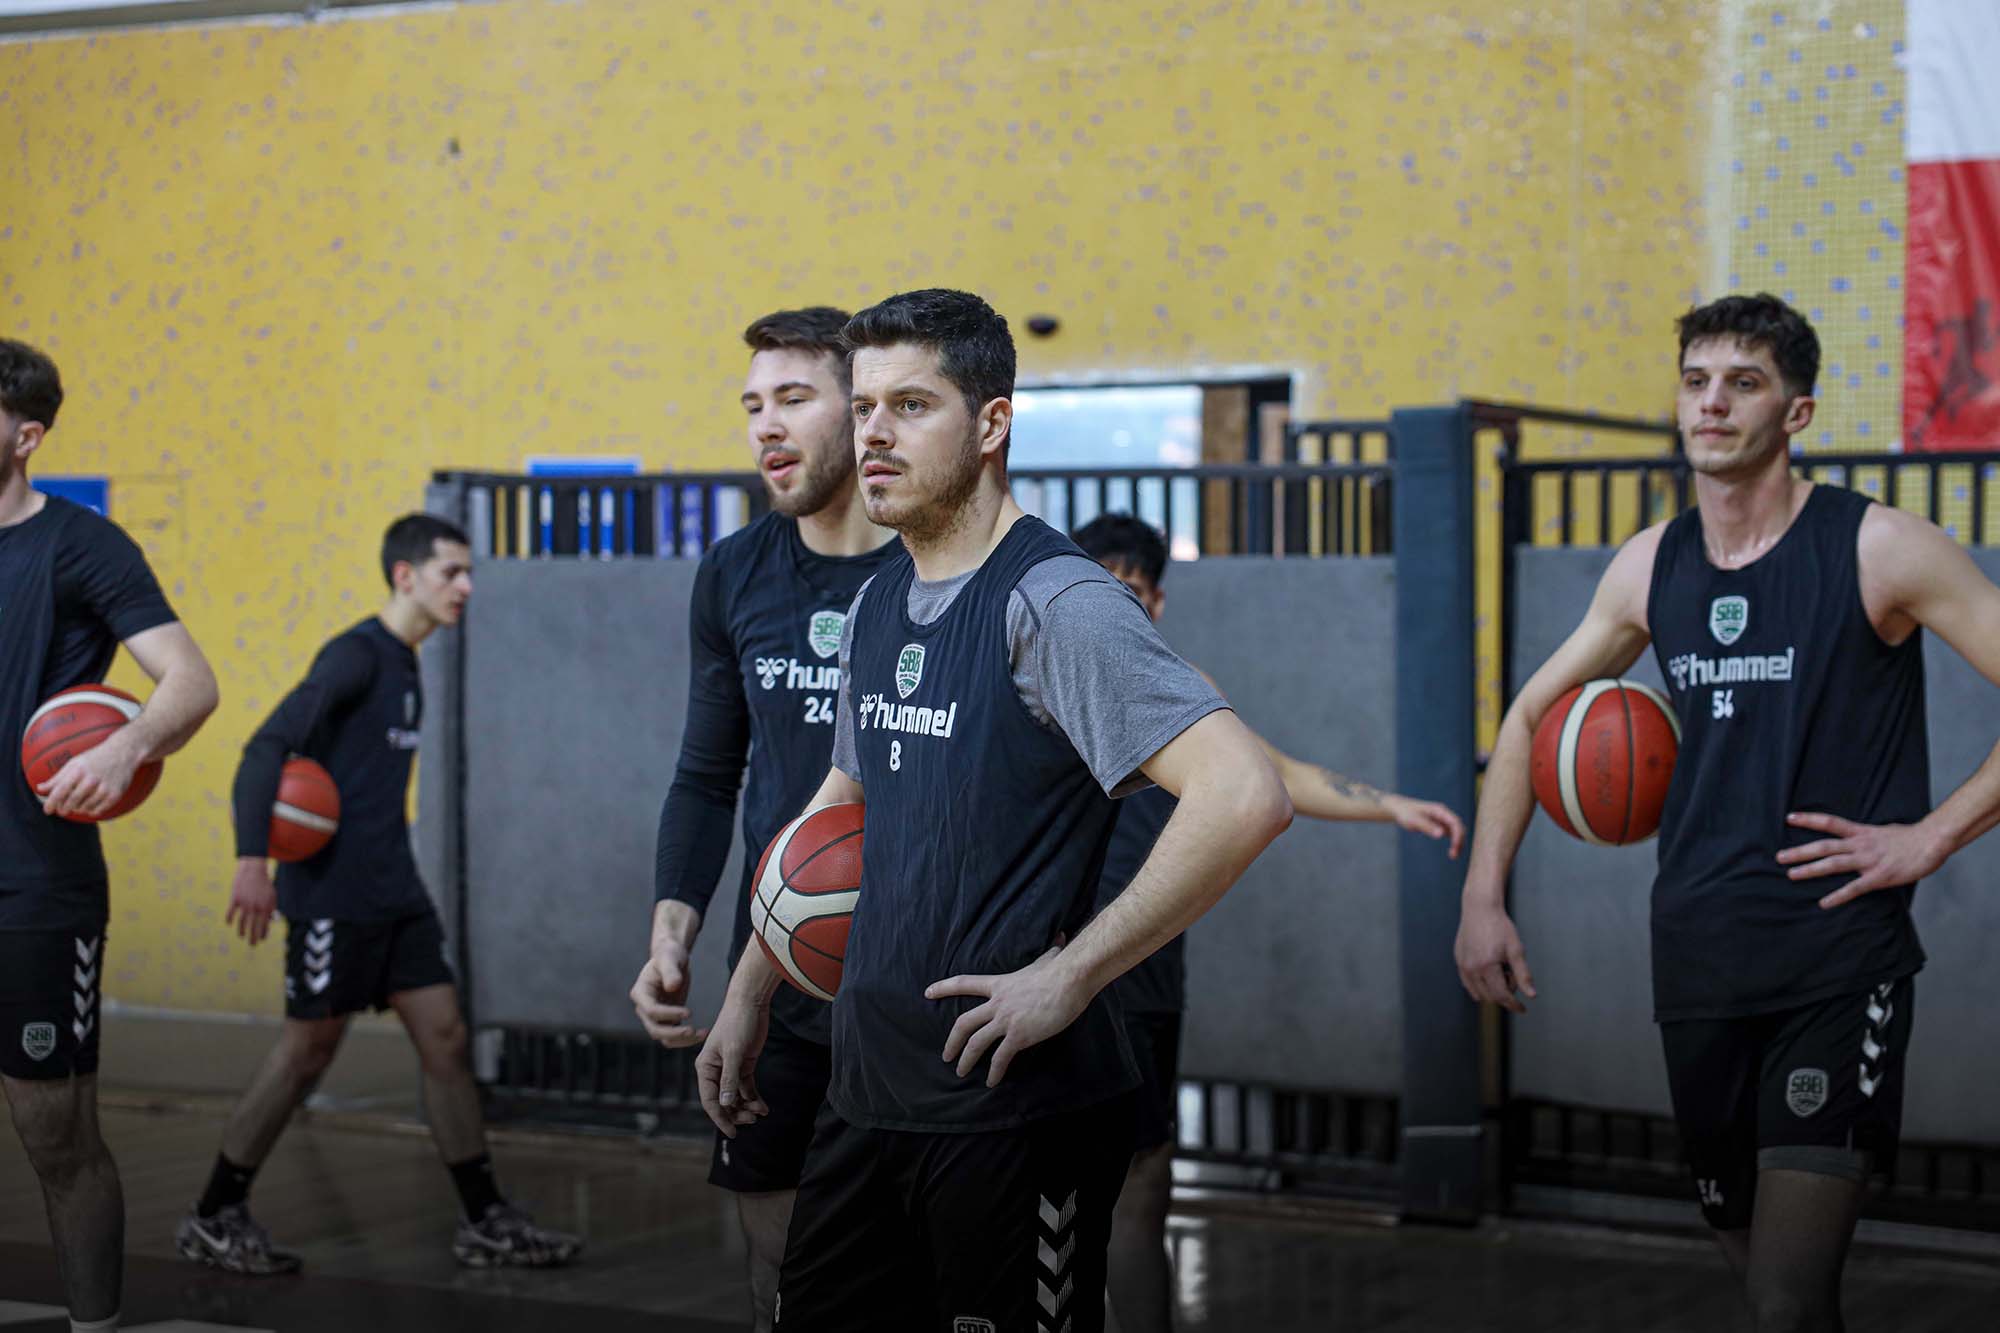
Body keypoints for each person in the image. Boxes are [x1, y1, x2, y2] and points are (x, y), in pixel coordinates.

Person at [696, 289, 1293, 1332]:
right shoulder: (880, 600)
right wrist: (752, 981)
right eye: (865, 403)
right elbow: (842, 805)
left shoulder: (1055, 604)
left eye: (911, 405)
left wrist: (1067, 975)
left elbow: (1244, 792)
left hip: (1011, 1111)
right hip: (866, 1089)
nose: (874, 431)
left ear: (989, 423)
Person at [1453, 293, 2000, 1332]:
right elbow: (1531, 715)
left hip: (1835, 966)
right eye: (1695, 381)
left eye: (1741, 383)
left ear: (1793, 413)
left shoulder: (1877, 548)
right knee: (1759, 1291)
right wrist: (1482, 896)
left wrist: (1928, 835)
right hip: (1697, 963)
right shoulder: (1648, 567)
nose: (1711, 404)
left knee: (1789, 1300)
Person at [1070, 512, 1464, 1333]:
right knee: (1040, 1188)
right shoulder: (1041, 676)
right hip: (1042, 965)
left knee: (1143, 1183)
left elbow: (1274, 774)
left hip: (1140, 972)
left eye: (1132, 589)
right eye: (1098, 585)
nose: (1116, 601)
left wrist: (1387, 803)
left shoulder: (1183, 686)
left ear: (1157, 602)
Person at [175, 514, 581, 1275]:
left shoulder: (408, 665)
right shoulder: (356, 656)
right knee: (307, 1052)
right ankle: (213, 1213)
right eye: (452, 572)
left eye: (468, 573)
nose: (466, 586)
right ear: (406, 576)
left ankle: (484, 1218)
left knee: (446, 1039)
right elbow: (265, 746)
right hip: (333, 897)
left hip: (396, 894)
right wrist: (251, 860)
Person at [628, 306, 899, 1331]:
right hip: (776, 967)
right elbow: (706, 776)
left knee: (910, 1268)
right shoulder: (734, 571)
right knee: (776, 1268)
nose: (764, 426)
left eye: (793, 398)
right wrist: (672, 935)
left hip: (914, 973)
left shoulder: (935, 571)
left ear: (860, 412)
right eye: (751, 404)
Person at [1, 337, 221, 1333]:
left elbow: (190, 681)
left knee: (56, 1133)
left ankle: (94, 1327)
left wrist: (128, 746)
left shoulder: (83, 547)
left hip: (34, 884)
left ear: (25, 435)